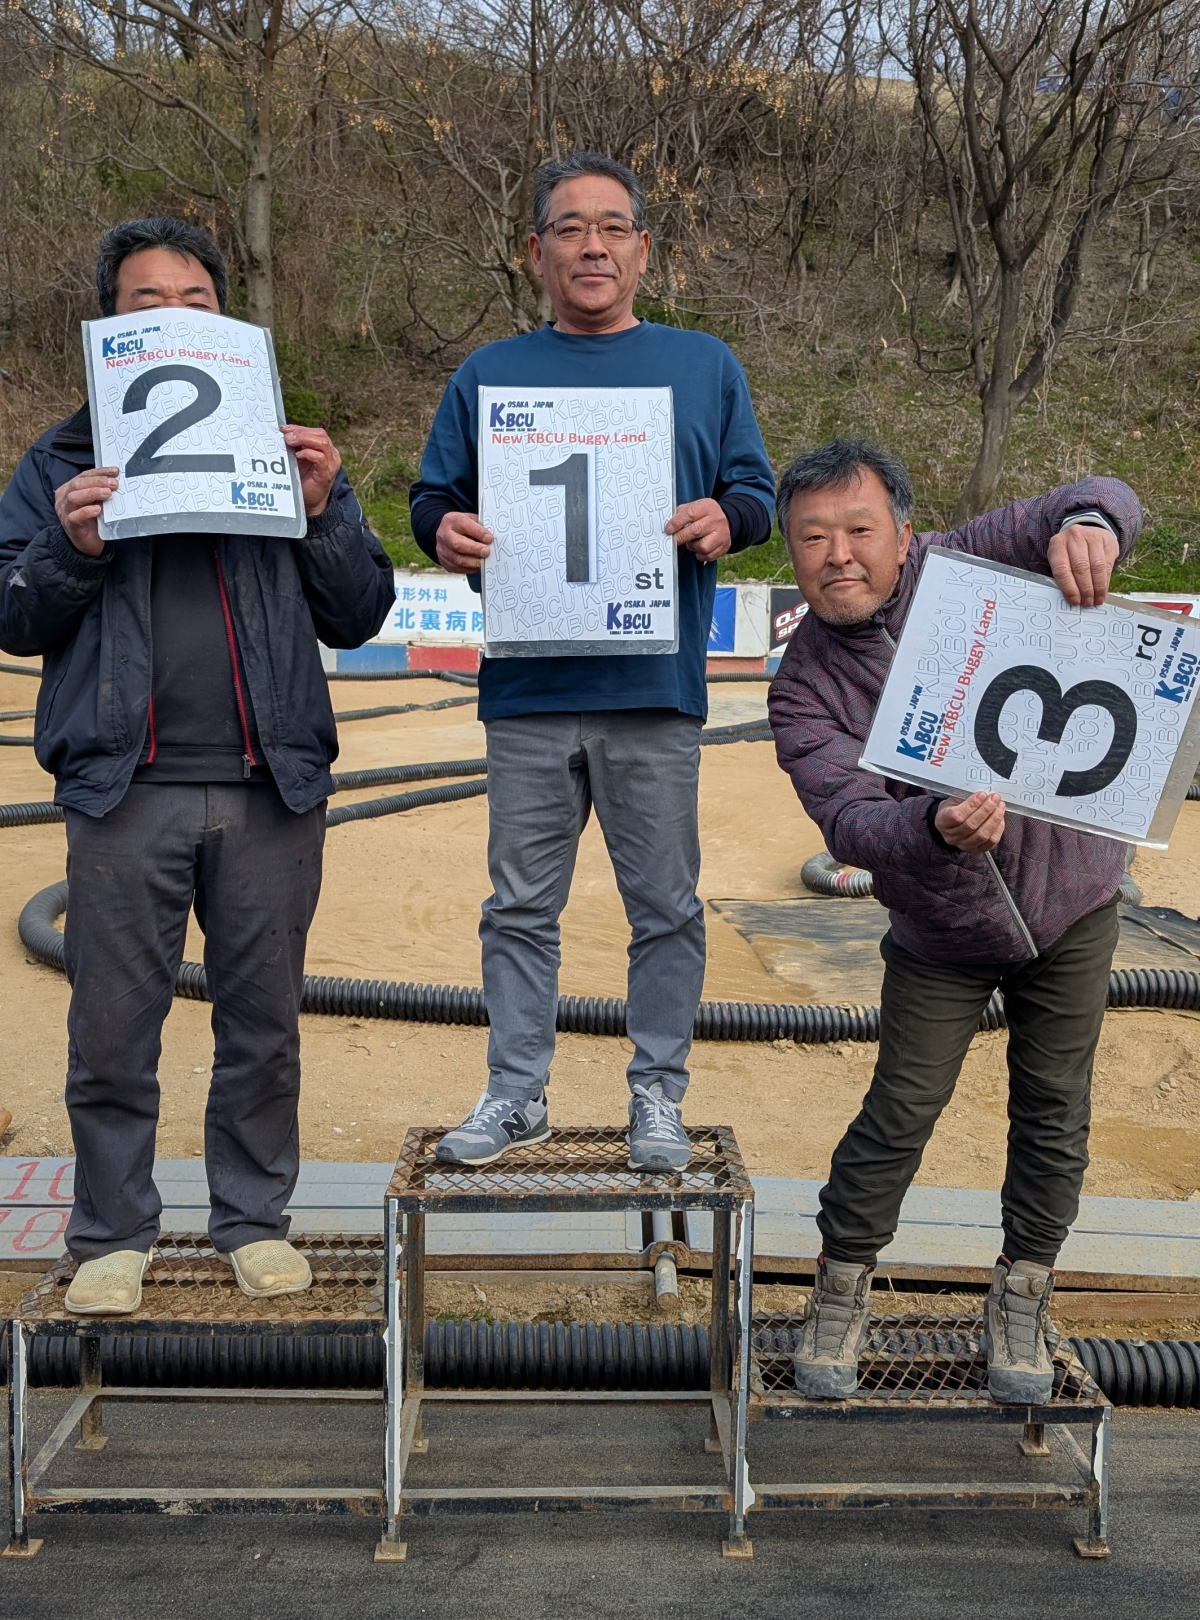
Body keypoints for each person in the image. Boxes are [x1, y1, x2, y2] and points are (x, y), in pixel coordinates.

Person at [0, 217, 395, 1314]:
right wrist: (69, 548)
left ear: (228, 320)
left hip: (273, 785)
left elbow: (360, 611)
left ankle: (252, 1222)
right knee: (110, 1032)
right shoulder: (60, 462)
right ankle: (111, 1231)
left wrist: (323, 511)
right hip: (123, 786)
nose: (173, 316)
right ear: (108, 324)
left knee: (262, 1029)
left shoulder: (282, 450)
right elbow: (12, 615)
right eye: (146, 300)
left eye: (196, 300)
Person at [410, 151, 775, 1172]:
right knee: (520, 908)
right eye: (570, 228)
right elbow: (434, 498)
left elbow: (755, 490)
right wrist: (444, 532)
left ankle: (657, 1094)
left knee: (666, 908)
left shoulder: (705, 365)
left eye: (613, 227)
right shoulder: (487, 374)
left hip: (653, 690)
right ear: (535, 253)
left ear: (644, 249)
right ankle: (516, 1092)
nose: (593, 246)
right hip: (529, 688)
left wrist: (728, 518)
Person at [767, 437, 1143, 1402]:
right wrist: (929, 827)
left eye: (859, 530)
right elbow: (848, 818)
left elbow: (1093, 491)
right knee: (901, 1108)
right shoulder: (803, 685)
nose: (838, 555)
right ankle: (841, 1287)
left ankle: (1023, 1292)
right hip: (940, 926)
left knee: (1054, 1109)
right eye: (813, 537)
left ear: (904, 532)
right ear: (790, 550)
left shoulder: (967, 563)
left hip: (1073, 900)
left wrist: (1092, 526)